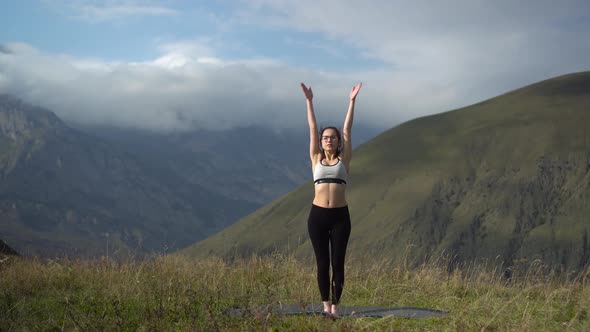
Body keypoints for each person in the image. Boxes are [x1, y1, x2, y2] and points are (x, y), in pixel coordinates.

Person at [300, 81, 362, 315]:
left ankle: (335, 308)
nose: (329, 140)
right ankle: (325, 306)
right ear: (321, 141)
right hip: (317, 216)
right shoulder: (315, 158)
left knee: (338, 263)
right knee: (322, 263)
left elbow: (347, 130)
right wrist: (309, 101)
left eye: (332, 137)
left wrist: (352, 102)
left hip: (339, 217)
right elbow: (312, 127)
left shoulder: (343, 160)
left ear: (338, 142)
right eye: (326, 137)